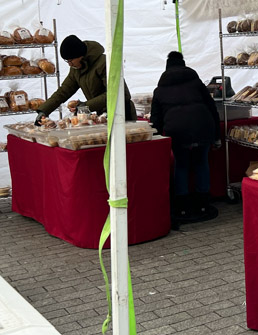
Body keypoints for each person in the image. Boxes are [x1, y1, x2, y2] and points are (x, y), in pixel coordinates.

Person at [151, 51, 221, 228]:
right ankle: (203, 203)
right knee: (201, 162)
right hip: (202, 126)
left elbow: (156, 119)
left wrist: (156, 138)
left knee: (181, 164)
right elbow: (212, 107)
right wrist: (217, 135)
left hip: (177, 131)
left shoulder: (160, 89)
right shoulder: (196, 82)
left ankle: (182, 206)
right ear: (183, 64)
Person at [35, 35, 136, 123]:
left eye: (71, 60)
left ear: (80, 55)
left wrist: (86, 106)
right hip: (103, 115)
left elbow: (116, 93)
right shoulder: (76, 69)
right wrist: (44, 110)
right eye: (67, 61)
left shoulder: (105, 63)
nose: (69, 64)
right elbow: (63, 91)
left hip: (122, 113)